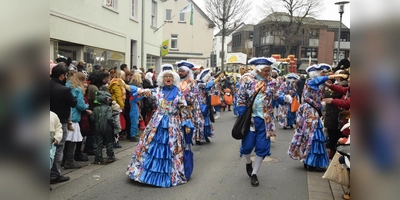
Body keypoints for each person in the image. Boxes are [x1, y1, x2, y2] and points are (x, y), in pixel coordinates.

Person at [126, 70, 192, 188]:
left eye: (170, 76)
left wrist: (187, 123)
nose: (168, 78)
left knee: (171, 147)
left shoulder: (178, 92)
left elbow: (184, 108)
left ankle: (169, 175)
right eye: (166, 76)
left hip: (173, 123)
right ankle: (146, 174)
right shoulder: (158, 90)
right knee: (151, 145)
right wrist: (127, 86)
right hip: (157, 123)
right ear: (162, 79)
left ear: (174, 79)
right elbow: (144, 92)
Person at [288, 64, 348, 172]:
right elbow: (321, 80)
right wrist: (333, 76)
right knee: (312, 135)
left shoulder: (319, 84)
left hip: (313, 110)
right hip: (309, 111)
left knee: (313, 135)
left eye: (324, 72)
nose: (324, 74)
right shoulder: (311, 81)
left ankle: (309, 161)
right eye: (322, 72)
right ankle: (310, 161)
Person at [236, 57, 278, 187]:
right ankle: (248, 162)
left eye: (269, 71)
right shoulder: (246, 80)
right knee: (247, 146)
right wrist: (242, 114)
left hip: (265, 120)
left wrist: (284, 98)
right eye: (266, 70)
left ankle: (254, 173)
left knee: (262, 147)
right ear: (258, 70)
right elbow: (241, 98)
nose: (268, 73)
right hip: (251, 119)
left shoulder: (272, 82)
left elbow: (275, 96)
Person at [50, 64, 77, 184]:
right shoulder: (64, 90)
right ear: (62, 76)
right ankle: (54, 174)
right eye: (66, 75)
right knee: (58, 148)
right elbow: (73, 103)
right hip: (59, 122)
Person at [64, 72, 91, 169]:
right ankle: (69, 160)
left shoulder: (67, 86)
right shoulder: (78, 89)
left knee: (65, 139)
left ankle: (63, 159)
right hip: (74, 116)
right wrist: (86, 106)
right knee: (72, 139)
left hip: (66, 114)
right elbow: (80, 104)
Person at [175, 61, 203, 146]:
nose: (180, 73)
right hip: (179, 107)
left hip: (191, 107)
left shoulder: (192, 82)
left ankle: (196, 138)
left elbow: (194, 95)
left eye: (182, 71)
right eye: (179, 71)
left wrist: (184, 96)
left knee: (194, 123)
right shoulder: (175, 82)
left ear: (187, 72)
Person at [91, 90, 116, 164]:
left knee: (98, 142)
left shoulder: (95, 109)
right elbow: (109, 118)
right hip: (107, 127)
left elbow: (92, 118)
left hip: (97, 128)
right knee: (109, 142)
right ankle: (110, 156)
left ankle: (98, 157)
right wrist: (113, 123)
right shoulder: (108, 108)